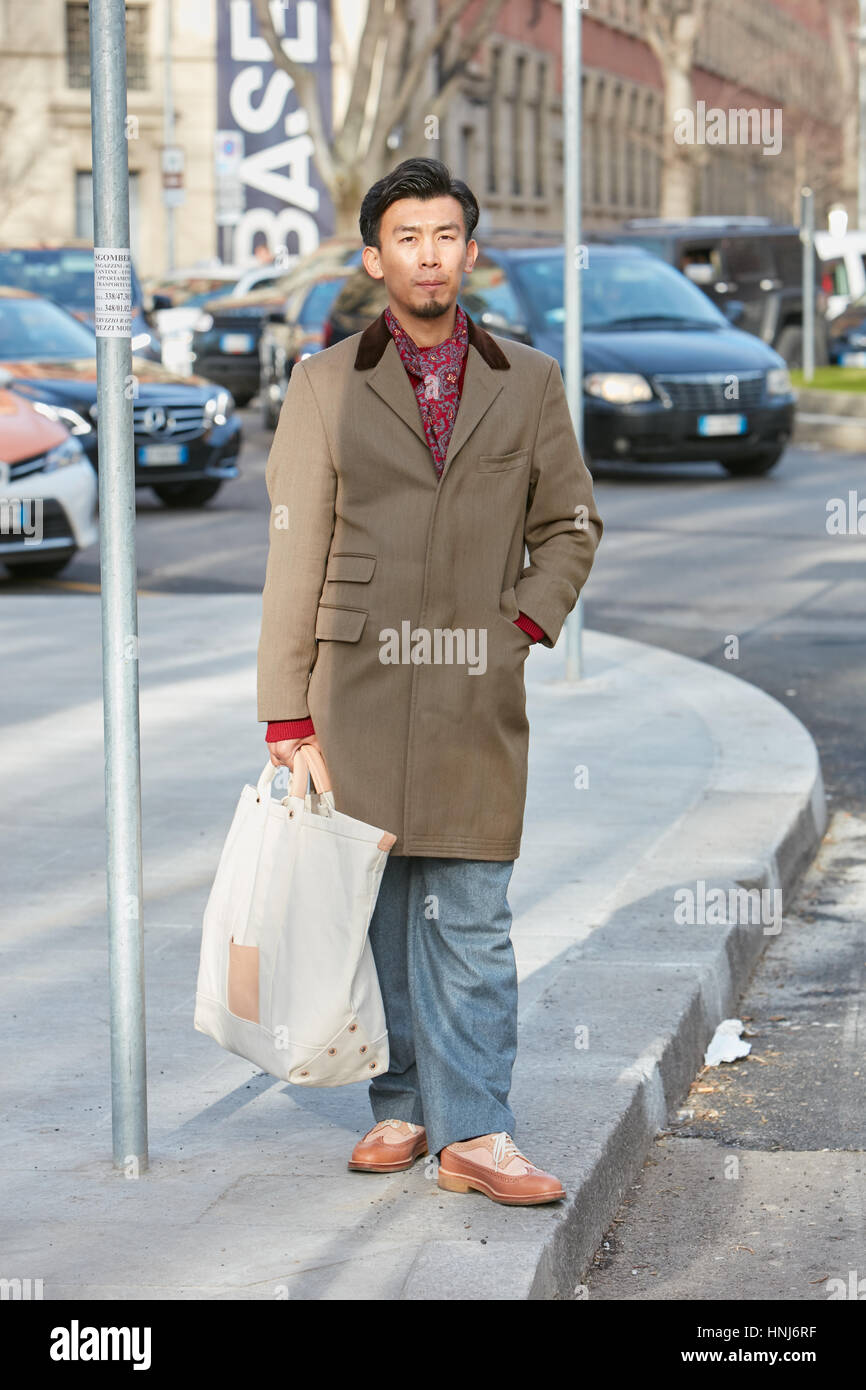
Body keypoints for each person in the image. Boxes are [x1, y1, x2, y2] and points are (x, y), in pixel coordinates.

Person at [257, 157, 603, 1206]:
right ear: (374, 258)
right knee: (373, 912)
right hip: (354, 684)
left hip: (472, 689)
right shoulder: (322, 386)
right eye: (406, 237)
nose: (427, 255)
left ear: (469, 249)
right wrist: (285, 709)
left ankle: (478, 1132)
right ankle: (398, 1104)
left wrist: (525, 624)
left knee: (471, 912)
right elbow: (294, 551)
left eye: (445, 234)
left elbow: (572, 524)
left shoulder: (528, 381)